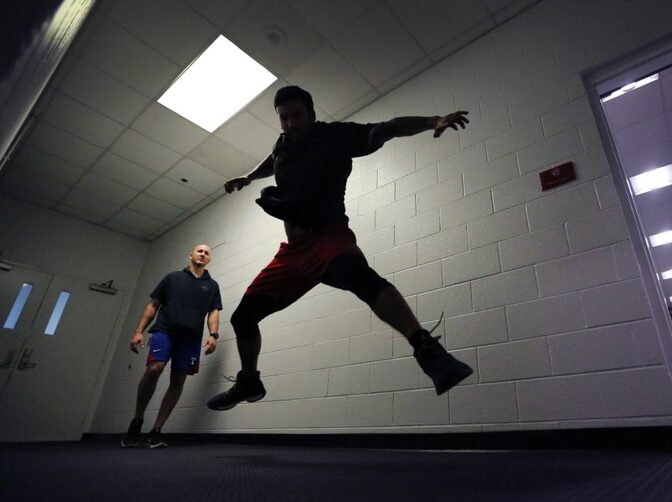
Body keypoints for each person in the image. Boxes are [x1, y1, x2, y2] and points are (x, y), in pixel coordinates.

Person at [207, 85, 472, 411]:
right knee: (243, 318)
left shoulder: (335, 137)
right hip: (294, 251)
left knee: (355, 274)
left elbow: (388, 128)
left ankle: (427, 350)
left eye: (297, 116)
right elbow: (274, 158)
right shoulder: (283, 143)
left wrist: (434, 121)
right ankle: (249, 381)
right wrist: (249, 177)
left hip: (329, 235)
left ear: (313, 114)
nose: (290, 124)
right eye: (284, 118)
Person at [121, 244, 222, 448]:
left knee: (178, 380)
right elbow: (153, 305)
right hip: (164, 331)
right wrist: (138, 331)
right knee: (155, 368)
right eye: (199, 251)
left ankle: (157, 430)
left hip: (191, 338)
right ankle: (137, 419)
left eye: (207, 253)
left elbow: (214, 312)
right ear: (190, 255)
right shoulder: (172, 278)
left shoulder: (212, 285)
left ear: (209, 260)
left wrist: (213, 335)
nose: (203, 254)